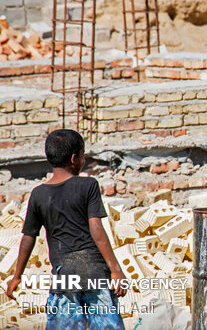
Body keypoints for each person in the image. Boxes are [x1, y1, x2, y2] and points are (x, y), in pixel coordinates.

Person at [6, 129, 127, 328]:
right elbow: (96, 228)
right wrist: (116, 271)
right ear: (74, 158)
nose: (84, 160)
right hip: (95, 273)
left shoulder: (38, 194)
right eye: (83, 155)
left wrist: (17, 276)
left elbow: (28, 238)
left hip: (64, 275)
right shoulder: (88, 185)